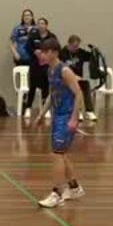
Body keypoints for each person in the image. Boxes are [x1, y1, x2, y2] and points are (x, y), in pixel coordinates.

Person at [33, 38, 84, 208]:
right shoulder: (50, 70)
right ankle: (75, 188)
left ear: (54, 52)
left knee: (57, 155)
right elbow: (51, 95)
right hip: (56, 116)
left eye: (45, 52)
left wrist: (74, 118)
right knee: (61, 154)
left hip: (66, 116)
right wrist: (41, 114)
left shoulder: (65, 71)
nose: (42, 54)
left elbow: (79, 94)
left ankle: (57, 193)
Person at [61, 35, 96, 122]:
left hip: (78, 79)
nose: (76, 48)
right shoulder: (62, 53)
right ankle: (78, 111)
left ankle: (89, 111)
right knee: (76, 88)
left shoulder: (80, 52)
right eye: (74, 46)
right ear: (69, 44)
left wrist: (94, 51)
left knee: (85, 84)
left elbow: (91, 57)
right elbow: (60, 68)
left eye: (77, 46)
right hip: (65, 79)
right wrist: (72, 77)